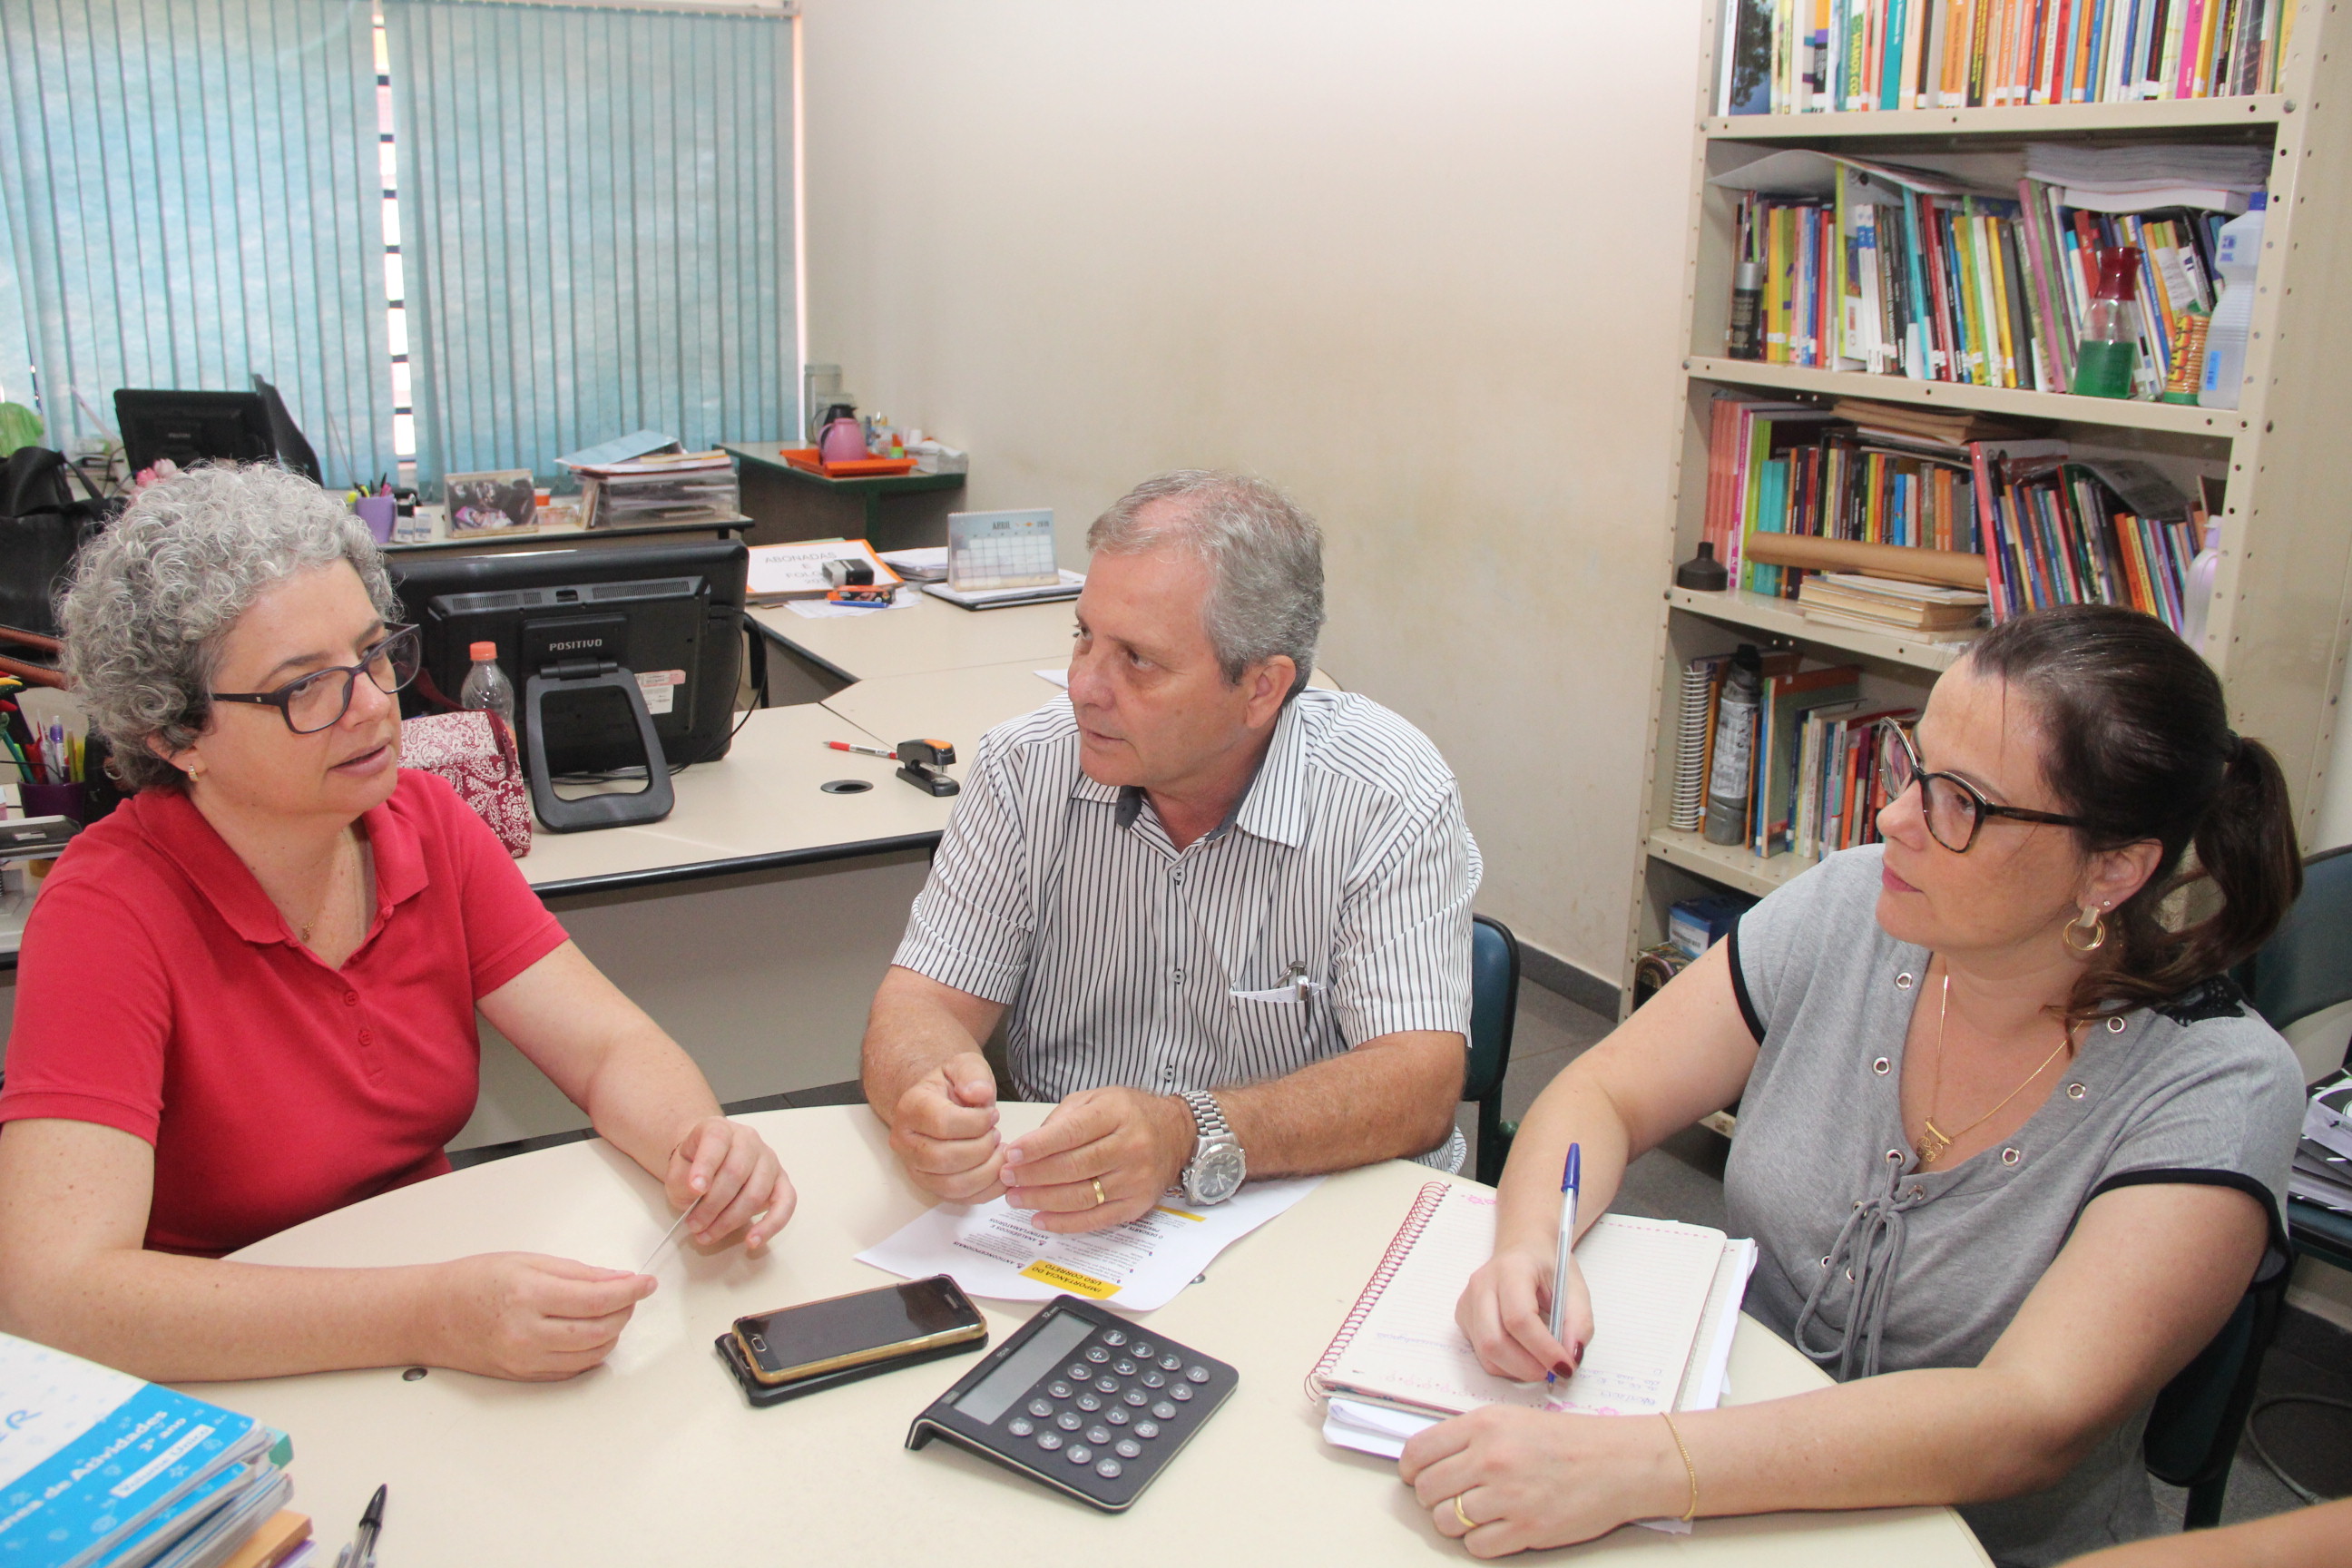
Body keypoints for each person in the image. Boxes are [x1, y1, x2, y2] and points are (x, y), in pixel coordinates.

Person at [1408, 603, 2305, 1566]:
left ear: (2114, 870)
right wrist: (1528, 1243)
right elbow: (1606, 1092)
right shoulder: (1857, 902)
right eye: (1914, 768)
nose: (1893, 818)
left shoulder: (2219, 1087)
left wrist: (1632, 1466)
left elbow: (2026, 1416)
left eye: (1961, 802)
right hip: (1693, 1479)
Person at [0, 464, 795, 1384]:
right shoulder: (109, 912)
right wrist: (425, 1316)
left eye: (374, 655)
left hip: (433, 1326)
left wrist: (700, 1150)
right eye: (307, 689)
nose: (377, 706)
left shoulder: (421, 822)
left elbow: (611, 1048)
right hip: (233, 1376)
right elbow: (56, 1295)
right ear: (174, 735)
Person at [861, 470, 1476, 1233]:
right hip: (1072, 1213)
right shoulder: (1025, 769)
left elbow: (1417, 1083)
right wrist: (927, 1094)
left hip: (1313, 1216)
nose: (1084, 685)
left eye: (1138, 661)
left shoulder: (1383, 792)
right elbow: (922, 1003)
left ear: (1261, 689)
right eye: (1083, 635)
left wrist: (1190, 1130)